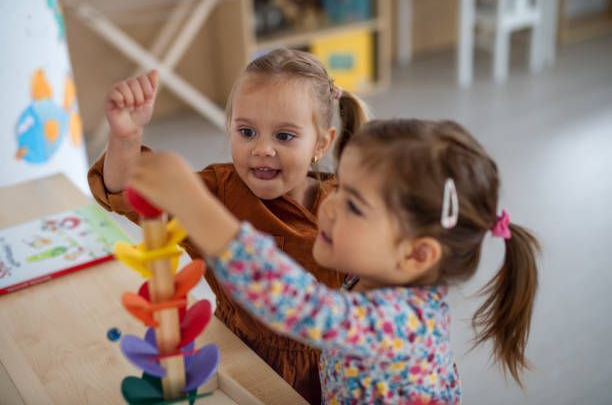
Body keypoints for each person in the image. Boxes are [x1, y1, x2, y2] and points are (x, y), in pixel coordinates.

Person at [127, 118, 540, 404]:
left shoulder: (403, 322)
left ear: (416, 254)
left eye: (355, 206)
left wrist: (196, 207)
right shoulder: (372, 276)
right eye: (340, 187)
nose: (329, 206)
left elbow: (301, 306)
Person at [87, 48, 370, 403]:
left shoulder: (349, 201)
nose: (262, 149)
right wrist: (126, 137)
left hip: (334, 376)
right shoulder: (216, 193)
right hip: (238, 360)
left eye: (284, 136)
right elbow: (131, 193)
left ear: (321, 143)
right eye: (247, 131)